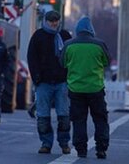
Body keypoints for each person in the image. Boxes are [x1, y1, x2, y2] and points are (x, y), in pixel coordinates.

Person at [61, 16, 111, 159]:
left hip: (76, 89)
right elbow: (106, 61)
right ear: (91, 30)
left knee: (79, 120)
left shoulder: (68, 45)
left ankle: (81, 149)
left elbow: (62, 62)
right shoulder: (99, 44)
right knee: (100, 119)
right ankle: (101, 148)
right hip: (96, 89)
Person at [27, 10, 73, 155]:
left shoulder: (65, 36)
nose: (54, 23)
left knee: (64, 115)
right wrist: (37, 78)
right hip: (44, 82)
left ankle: (64, 142)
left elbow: (71, 58)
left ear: (59, 21)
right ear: (46, 21)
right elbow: (32, 58)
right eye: (51, 20)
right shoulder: (38, 36)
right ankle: (46, 143)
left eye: (56, 20)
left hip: (61, 82)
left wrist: (68, 77)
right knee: (43, 116)